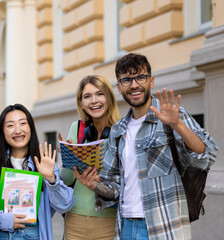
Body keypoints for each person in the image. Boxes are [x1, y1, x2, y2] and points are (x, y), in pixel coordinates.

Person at [80, 53, 218, 239]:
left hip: (164, 227)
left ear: (151, 81)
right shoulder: (118, 131)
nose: (134, 84)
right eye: (127, 80)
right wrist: (94, 185)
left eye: (140, 77)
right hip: (126, 228)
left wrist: (177, 125)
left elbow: (207, 154)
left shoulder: (172, 116)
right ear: (119, 87)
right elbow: (114, 187)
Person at [0, 104, 74, 240]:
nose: (17, 130)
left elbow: (65, 205)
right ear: (2, 131)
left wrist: (51, 179)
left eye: (23, 123)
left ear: (30, 127)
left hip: (34, 235)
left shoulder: (44, 165)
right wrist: (4, 220)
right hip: (1, 235)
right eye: (10, 125)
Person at [59, 75, 120, 240]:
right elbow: (66, 179)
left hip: (108, 221)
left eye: (99, 94)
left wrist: (97, 181)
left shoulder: (122, 131)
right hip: (75, 219)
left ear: (109, 97)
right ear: (81, 103)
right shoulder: (77, 129)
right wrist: (67, 156)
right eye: (87, 96)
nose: (94, 100)